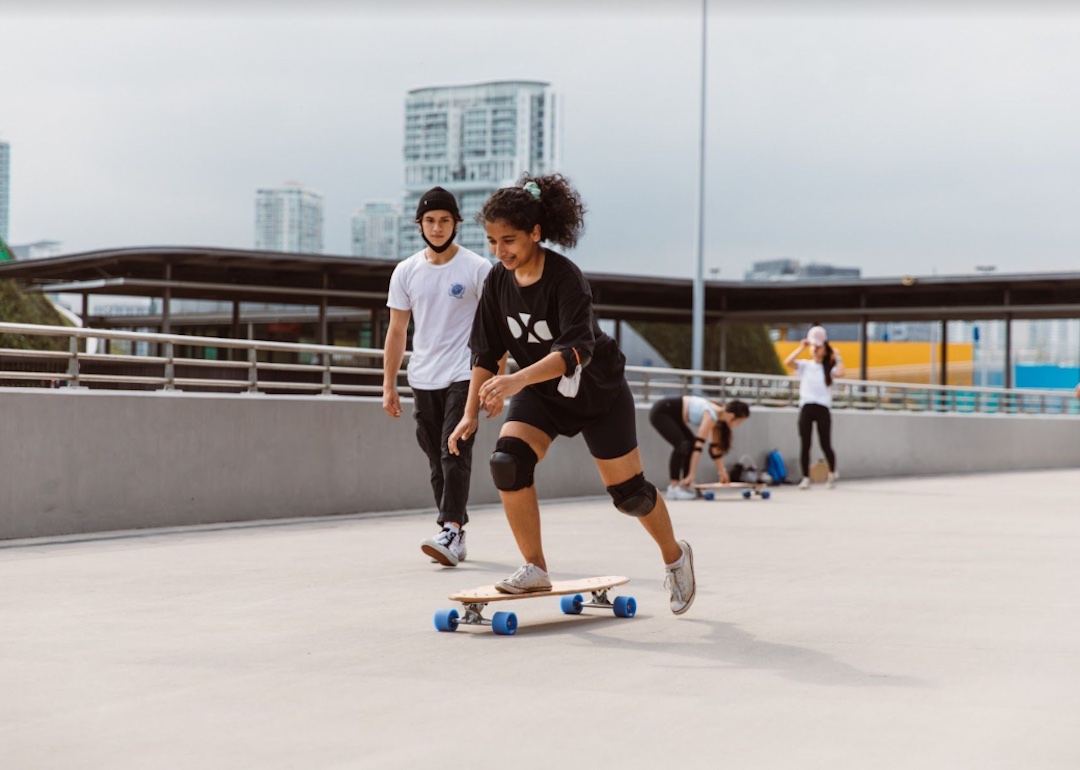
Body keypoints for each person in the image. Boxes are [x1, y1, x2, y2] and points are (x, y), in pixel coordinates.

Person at [447, 173, 697, 615]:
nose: (499, 251)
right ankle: (534, 567)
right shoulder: (496, 283)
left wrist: (516, 380)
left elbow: (575, 350)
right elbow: (486, 351)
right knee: (508, 463)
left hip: (597, 392)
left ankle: (675, 557)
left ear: (536, 234)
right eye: (491, 241)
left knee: (631, 495)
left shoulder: (566, 279)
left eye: (509, 240)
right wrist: (469, 414)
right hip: (541, 393)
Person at [383, 186, 499, 567]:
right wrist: (389, 385)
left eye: (444, 220)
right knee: (437, 459)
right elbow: (397, 331)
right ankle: (456, 534)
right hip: (422, 378)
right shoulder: (406, 271)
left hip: (465, 374)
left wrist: (497, 382)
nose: (437, 227)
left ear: (456, 224)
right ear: (420, 225)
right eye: (430, 221)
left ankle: (448, 527)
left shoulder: (477, 268)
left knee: (454, 450)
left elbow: (499, 329)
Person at [648, 397, 751, 499]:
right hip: (662, 411)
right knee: (682, 445)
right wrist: (692, 474)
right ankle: (673, 488)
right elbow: (699, 446)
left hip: (674, 416)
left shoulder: (718, 418)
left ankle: (685, 484)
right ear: (732, 416)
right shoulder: (711, 415)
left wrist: (722, 472)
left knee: (690, 443)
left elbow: (714, 449)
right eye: (739, 422)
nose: (738, 425)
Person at [784, 325, 845, 489]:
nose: (816, 349)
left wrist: (838, 356)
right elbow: (788, 362)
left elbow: (840, 372)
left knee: (825, 443)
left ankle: (832, 473)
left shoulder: (828, 368)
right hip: (806, 406)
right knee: (805, 443)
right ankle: (805, 477)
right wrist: (801, 347)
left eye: (819, 347)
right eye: (815, 347)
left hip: (823, 407)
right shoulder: (805, 365)